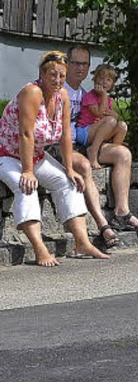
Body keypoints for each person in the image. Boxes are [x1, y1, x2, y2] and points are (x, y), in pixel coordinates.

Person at [0, 51, 109, 266]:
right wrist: (28, 171)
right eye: (53, 75)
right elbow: (26, 134)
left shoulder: (62, 97)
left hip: (36, 155)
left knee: (69, 182)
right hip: (7, 154)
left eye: (61, 75)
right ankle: (39, 249)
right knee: (26, 186)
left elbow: (66, 134)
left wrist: (69, 168)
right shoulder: (32, 92)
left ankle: (82, 242)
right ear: (42, 73)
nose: (58, 80)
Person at [64, 45, 138, 235]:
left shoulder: (83, 94)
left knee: (123, 153)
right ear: (66, 64)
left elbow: (103, 116)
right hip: (67, 146)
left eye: (84, 64)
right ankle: (101, 224)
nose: (80, 68)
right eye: (76, 63)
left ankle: (122, 212)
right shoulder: (58, 90)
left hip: (87, 143)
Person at [76, 63, 128, 170]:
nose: (104, 81)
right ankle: (93, 151)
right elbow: (100, 113)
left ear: (112, 83)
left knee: (122, 126)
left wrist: (114, 114)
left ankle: (111, 152)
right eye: (101, 78)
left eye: (108, 79)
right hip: (85, 132)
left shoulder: (108, 100)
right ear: (95, 79)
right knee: (110, 121)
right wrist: (104, 95)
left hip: (98, 131)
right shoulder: (89, 96)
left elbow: (114, 115)